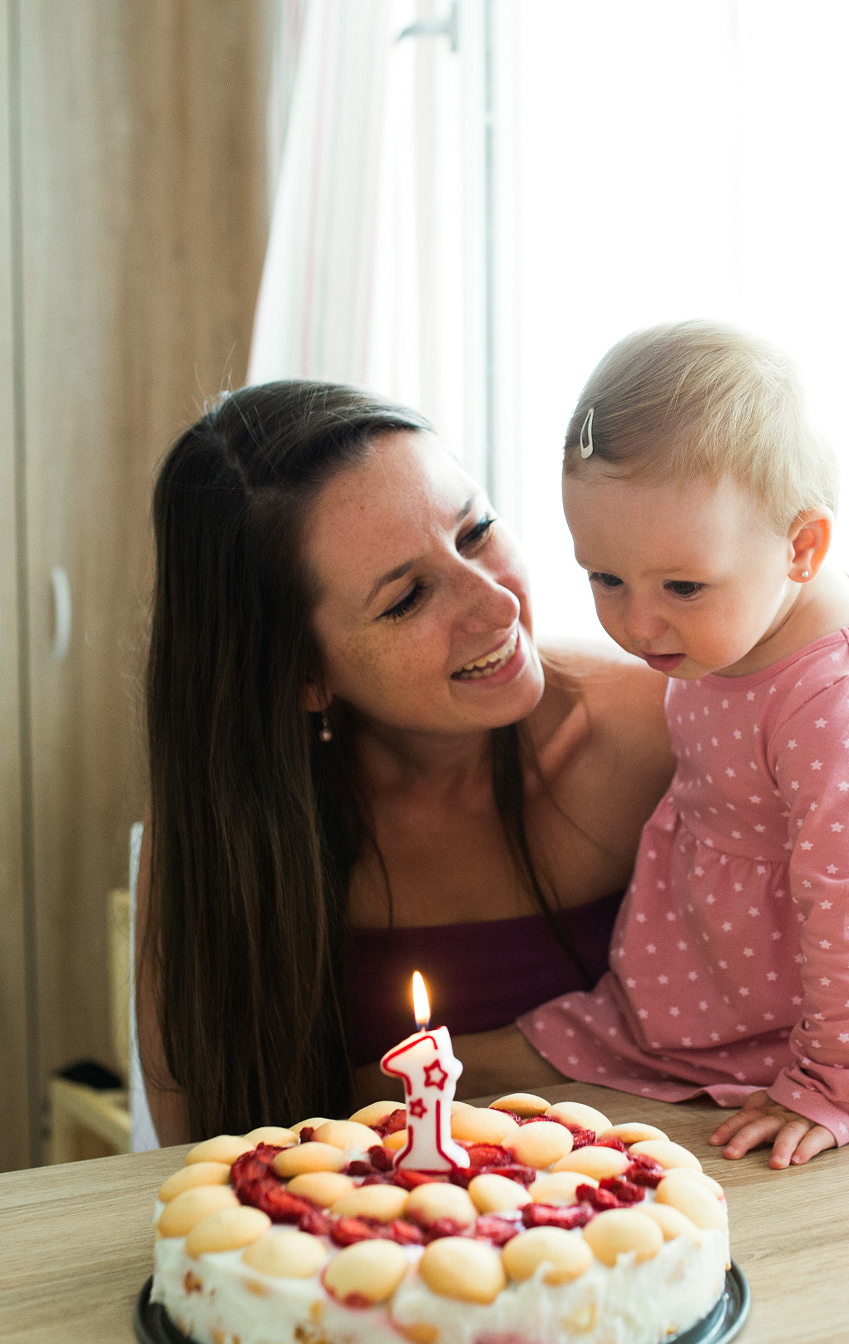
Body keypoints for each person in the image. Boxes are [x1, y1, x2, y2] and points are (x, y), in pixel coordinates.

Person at [135, 381, 669, 1145]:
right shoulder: (225, 825)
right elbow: (202, 1148)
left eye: (477, 529)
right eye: (408, 597)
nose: (496, 605)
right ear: (300, 675)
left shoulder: (663, 731)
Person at [518, 321, 849, 1169]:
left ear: (802, 548)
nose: (637, 621)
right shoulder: (719, 627)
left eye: (682, 585)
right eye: (603, 577)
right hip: (696, 983)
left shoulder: (847, 707)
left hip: (817, 1024)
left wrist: (835, 1079)